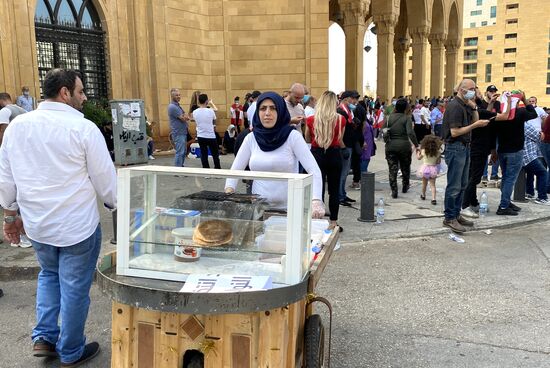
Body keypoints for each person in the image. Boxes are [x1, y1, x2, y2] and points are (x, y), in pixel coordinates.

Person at [0, 68, 116, 366]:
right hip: (77, 226)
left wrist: (10, 214)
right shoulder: (84, 129)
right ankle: (71, 350)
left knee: (49, 276)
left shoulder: (17, 127)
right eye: (81, 91)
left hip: (39, 225)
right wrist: (115, 205)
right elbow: (105, 179)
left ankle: (44, 338)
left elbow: (6, 176)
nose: (84, 97)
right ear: (65, 92)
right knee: (75, 287)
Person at [224, 92, 324, 217]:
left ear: (281, 111)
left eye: (273, 108)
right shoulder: (251, 138)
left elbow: (313, 169)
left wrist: (316, 200)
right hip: (259, 208)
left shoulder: (293, 137)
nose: (267, 113)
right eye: (263, 108)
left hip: (289, 209)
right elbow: (236, 169)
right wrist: (229, 191)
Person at [441, 79, 489, 233]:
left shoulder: (465, 104)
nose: (474, 92)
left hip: (464, 147)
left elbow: (475, 120)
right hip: (456, 147)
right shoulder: (455, 106)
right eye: (471, 89)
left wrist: (474, 106)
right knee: (454, 185)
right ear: (462, 90)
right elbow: (455, 132)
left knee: (462, 184)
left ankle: (456, 214)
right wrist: (475, 126)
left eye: (474, 89)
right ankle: (449, 217)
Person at [305, 91, 346, 231]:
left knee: (318, 189)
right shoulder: (341, 119)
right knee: (334, 191)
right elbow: (340, 140)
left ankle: (319, 220)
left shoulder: (311, 119)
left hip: (317, 155)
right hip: (334, 154)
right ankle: (333, 221)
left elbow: (308, 139)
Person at [494, 90, 538, 215]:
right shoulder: (521, 112)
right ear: (517, 100)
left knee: (506, 177)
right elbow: (533, 114)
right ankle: (503, 206)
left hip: (502, 150)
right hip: (515, 151)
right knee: (510, 179)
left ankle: (506, 201)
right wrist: (525, 100)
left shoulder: (500, 114)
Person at [382, 98, 419, 198]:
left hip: (390, 146)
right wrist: (416, 145)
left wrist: (387, 140)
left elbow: (384, 130)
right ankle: (405, 186)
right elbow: (410, 133)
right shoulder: (406, 118)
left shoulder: (388, 118)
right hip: (404, 146)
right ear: (406, 108)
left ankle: (394, 190)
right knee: (405, 167)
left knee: (392, 169)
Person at [191, 93, 221, 169]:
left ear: (199, 101)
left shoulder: (195, 112)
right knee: (215, 154)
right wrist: (211, 103)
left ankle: (206, 170)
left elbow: (192, 118)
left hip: (201, 135)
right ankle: (217, 169)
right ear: (206, 101)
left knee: (203, 154)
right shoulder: (211, 111)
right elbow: (215, 113)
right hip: (210, 135)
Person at [416, 135, 444, 205]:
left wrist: (417, 153)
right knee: (433, 185)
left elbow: (418, 158)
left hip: (425, 169)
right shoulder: (437, 152)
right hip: (433, 169)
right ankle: (433, 198)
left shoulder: (423, 151)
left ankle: (423, 195)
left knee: (424, 184)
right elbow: (438, 162)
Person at [168, 88, 190, 167]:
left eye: (179, 95)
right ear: (172, 96)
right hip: (178, 133)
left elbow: (185, 115)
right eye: (176, 95)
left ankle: (181, 166)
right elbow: (184, 118)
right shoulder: (172, 107)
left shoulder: (178, 106)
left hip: (182, 132)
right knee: (180, 152)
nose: (178, 96)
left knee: (183, 151)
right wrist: (185, 117)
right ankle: (178, 169)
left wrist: (185, 116)